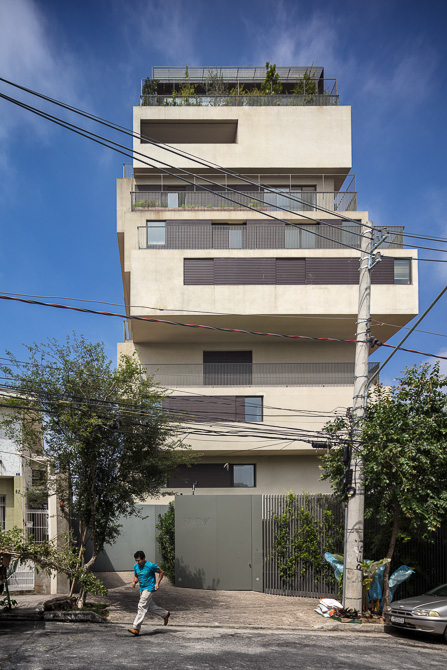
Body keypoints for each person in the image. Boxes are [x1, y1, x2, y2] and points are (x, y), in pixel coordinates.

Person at [128, 550, 170, 636]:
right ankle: (165, 614)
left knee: (141, 606)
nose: (137, 562)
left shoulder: (150, 565)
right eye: (136, 560)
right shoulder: (136, 566)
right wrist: (134, 582)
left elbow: (161, 572)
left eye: (139, 560)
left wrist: (157, 583)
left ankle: (136, 628)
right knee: (150, 606)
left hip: (149, 588)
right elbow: (136, 576)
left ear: (143, 558)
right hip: (142, 589)